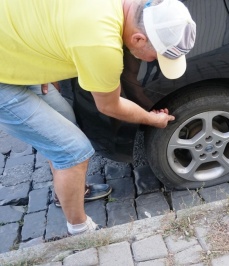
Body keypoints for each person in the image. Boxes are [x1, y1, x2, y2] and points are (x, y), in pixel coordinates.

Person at [0, 0, 196, 235]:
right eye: (156, 56)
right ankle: (80, 230)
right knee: (73, 151)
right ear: (138, 39)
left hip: (12, 50)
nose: (152, 62)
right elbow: (110, 106)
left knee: (64, 120)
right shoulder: (102, 43)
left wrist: (39, 61)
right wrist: (152, 119)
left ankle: (71, 192)